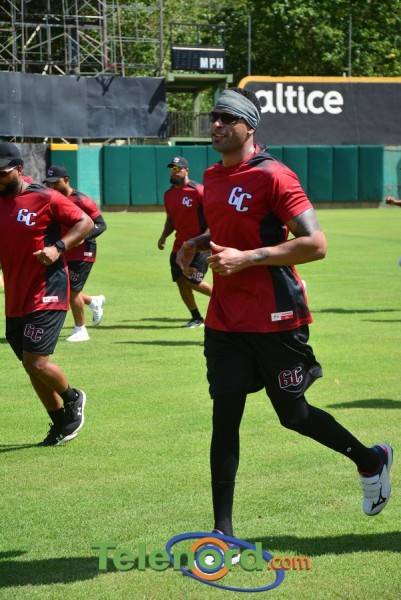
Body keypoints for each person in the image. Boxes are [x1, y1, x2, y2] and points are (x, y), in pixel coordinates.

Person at [177, 88, 393, 541]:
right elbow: (233, 224)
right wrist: (196, 243)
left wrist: (247, 258)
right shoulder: (212, 176)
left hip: (275, 316)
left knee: (293, 415)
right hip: (225, 320)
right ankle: (222, 532)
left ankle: (370, 459)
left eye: (227, 118)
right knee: (224, 418)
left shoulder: (275, 175)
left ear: (249, 126)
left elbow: (316, 244)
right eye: (214, 117)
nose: (216, 125)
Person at [0, 141, 94, 446]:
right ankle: (59, 422)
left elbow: (86, 221)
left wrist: (58, 248)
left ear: (18, 169)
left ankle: (73, 397)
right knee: (31, 367)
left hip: (47, 290)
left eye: (1, 172)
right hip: (16, 297)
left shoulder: (45, 197)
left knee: (37, 361)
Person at [43, 165, 107, 342]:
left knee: (71, 291)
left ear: (66, 180)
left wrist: (82, 238)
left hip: (83, 252)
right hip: (63, 249)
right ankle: (93, 301)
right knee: (63, 288)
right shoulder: (52, 200)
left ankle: (81, 330)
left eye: (55, 182)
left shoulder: (82, 200)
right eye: (49, 183)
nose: (52, 186)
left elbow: (101, 224)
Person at [158, 156, 212, 328]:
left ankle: (227, 299)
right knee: (181, 281)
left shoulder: (199, 191)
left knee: (193, 282)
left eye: (177, 169)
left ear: (186, 170)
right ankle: (196, 317)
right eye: (171, 169)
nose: (173, 172)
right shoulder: (169, 194)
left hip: (199, 248)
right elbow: (170, 220)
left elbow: (213, 218)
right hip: (178, 246)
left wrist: (204, 241)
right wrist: (163, 236)